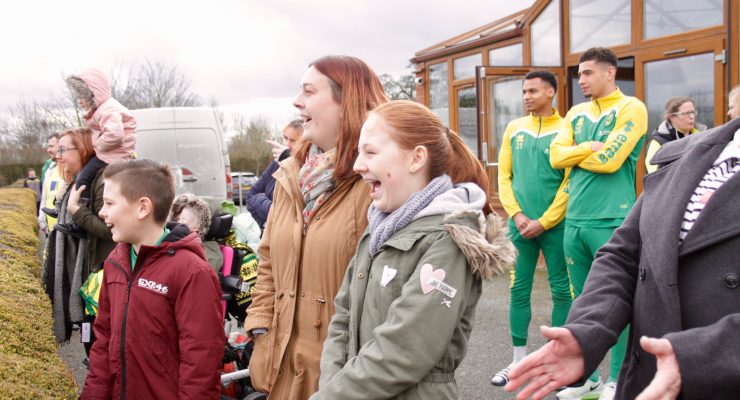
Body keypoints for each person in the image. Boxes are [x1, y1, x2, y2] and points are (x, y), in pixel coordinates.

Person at [506, 116, 740, 400]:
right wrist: (587, 330)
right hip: (645, 381)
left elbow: (606, 159)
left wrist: (700, 357)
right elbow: (623, 255)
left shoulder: (630, 111)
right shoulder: (694, 152)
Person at [309, 100, 516, 399]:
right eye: (358, 152)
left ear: (416, 158)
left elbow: (406, 347)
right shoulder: (379, 228)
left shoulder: (448, 239)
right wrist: (331, 387)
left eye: (370, 152)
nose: (357, 165)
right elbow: (342, 318)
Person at [244, 55, 387, 399]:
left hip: (342, 377)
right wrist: (261, 321)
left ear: (346, 102)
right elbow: (267, 258)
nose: (297, 102)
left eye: (309, 91)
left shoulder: (378, 180)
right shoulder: (291, 175)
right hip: (281, 366)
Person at [548, 47, 647, 400]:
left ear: (610, 73)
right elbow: (555, 156)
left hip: (613, 219)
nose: (581, 80)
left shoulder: (632, 108)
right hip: (575, 219)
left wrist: (580, 152)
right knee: (581, 304)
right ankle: (585, 379)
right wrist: (587, 147)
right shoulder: (575, 113)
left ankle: (618, 380)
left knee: (617, 303)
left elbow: (610, 159)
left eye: (588, 73)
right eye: (579, 74)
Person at [81, 159, 225, 399]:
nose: (101, 212)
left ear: (142, 207)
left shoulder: (191, 272)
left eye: (109, 203)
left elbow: (201, 362)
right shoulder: (116, 262)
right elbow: (103, 339)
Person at [491, 71, 571, 387]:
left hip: (555, 226)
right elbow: (504, 177)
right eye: (524, 91)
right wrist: (517, 214)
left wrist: (545, 221)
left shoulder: (568, 128)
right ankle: (517, 360)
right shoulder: (514, 128)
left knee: (562, 291)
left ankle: (558, 361)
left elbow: (570, 181)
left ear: (550, 92)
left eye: (533, 91)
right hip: (519, 226)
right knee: (517, 289)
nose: (526, 96)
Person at [43, 128, 116, 346]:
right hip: (85, 274)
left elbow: (109, 230)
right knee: (90, 342)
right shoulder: (79, 180)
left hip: (99, 280)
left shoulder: (102, 180)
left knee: (96, 342)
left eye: (64, 149)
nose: (58, 155)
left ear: (83, 149)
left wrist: (76, 209)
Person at [57, 67, 136, 236]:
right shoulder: (102, 110)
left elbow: (115, 134)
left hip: (112, 155)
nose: (80, 101)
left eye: (82, 97)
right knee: (82, 177)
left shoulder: (107, 110)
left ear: (93, 94)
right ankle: (68, 213)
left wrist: (97, 145)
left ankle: (79, 218)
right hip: (112, 153)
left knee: (84, 178)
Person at [246, 118, 304, 230]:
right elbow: (251, 195)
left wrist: (289, 159)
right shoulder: (276, 163)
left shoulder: (306, 169)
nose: (287, 144)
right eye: (285, 138)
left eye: (293, 141)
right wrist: (270, 210)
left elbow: (295, 211)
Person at [645, 96, 705, 173]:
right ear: (672, 117)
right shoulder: (657, 143)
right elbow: (655, 175)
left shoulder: (702, 137)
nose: (692, 117)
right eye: (686, 113)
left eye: (693, 112)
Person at [39, 132, 65, 234]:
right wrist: (41, 220)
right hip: (49, 229)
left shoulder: (71, 170)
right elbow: (44, 198)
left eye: (51, 146)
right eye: (48, 146)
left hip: (64, 230)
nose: (48, 150)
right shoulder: (49, 170)